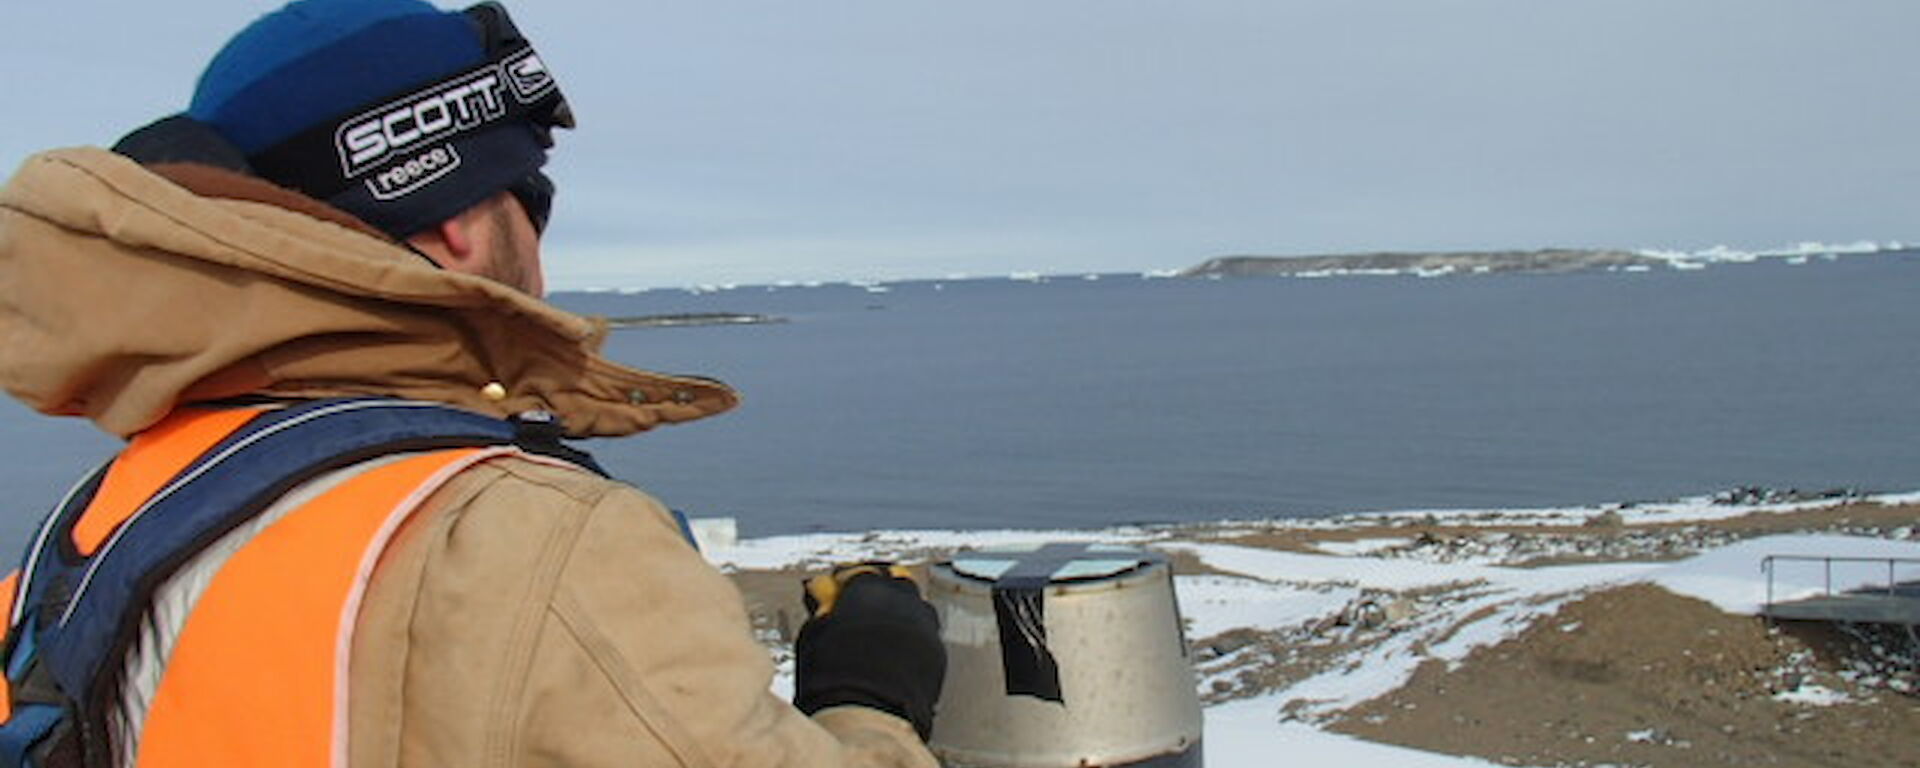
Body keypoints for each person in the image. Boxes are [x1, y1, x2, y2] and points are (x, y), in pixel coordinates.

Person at [0, 1, 945, 766]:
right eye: (530, 196)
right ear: (457, 217)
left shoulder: (89, 539)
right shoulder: (538, 541)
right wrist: (868, 698)